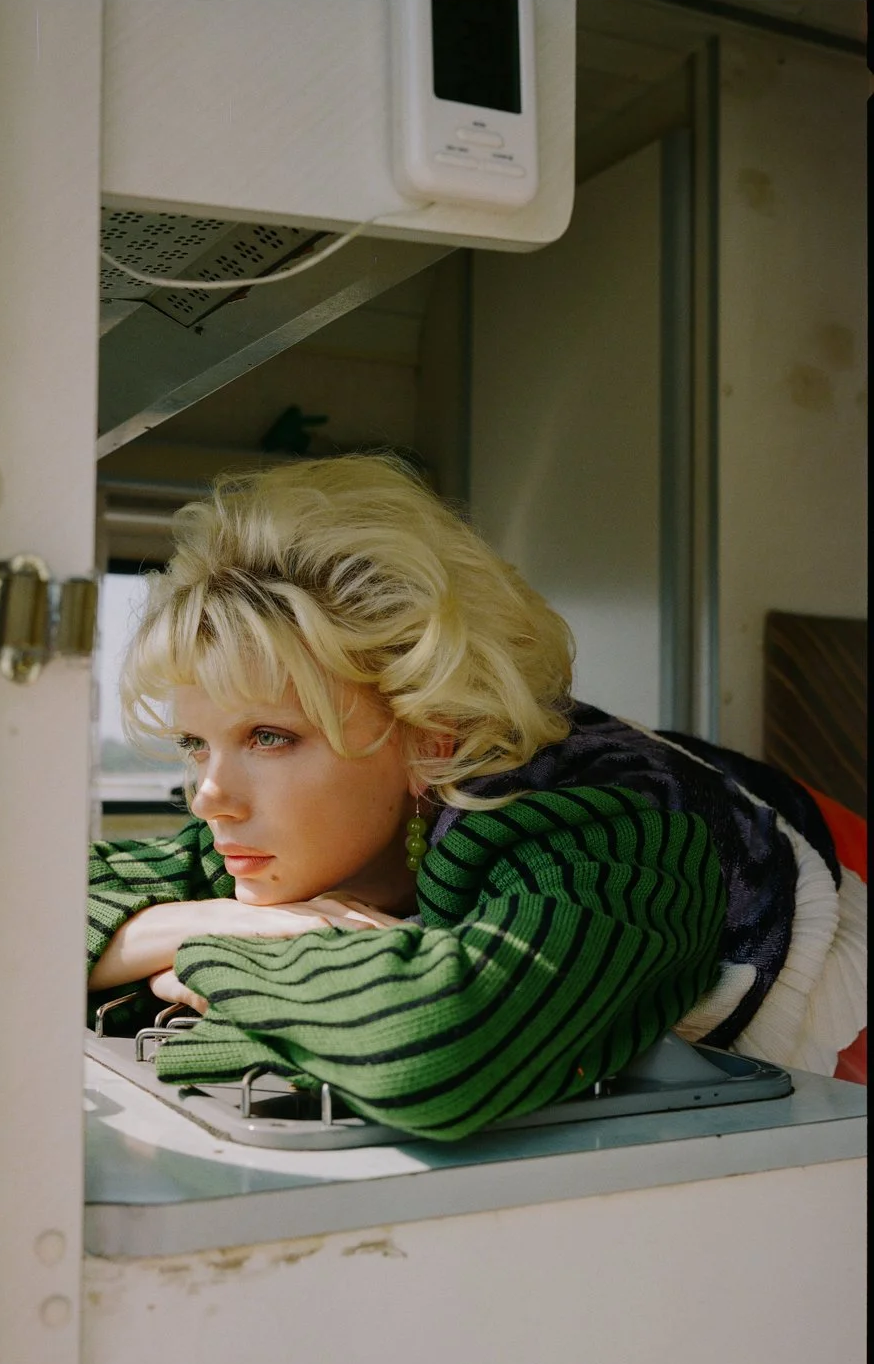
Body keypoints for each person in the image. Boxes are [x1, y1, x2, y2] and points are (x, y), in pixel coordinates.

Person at [86, 454, 866, 1138]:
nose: (210, 799)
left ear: (432, 730)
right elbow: (4, 934)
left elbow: (442, 1047)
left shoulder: (615, 824)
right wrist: (203, 921)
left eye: (269, 737)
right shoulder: (278, 846)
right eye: (197, 745)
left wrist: (213, 964)